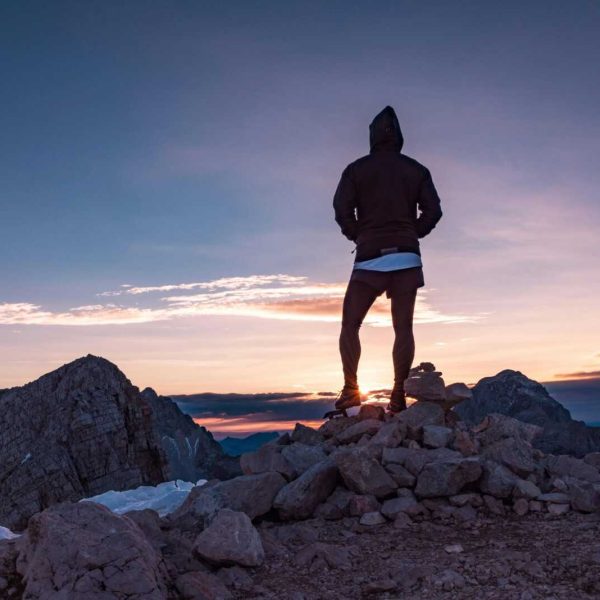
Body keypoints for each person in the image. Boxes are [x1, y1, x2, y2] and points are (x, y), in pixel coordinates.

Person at [332, 105, 443, 413]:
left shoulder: (355, 169)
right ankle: (397, 394)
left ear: (371, 136)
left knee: (350, 325)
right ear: (400, 136)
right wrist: (411, 234)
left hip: (369, 259)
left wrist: (359, 235)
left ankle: (351, 390)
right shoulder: (417, 170)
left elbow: (342, 210)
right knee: (403, 328)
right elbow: (433, 211)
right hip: (407, 258)